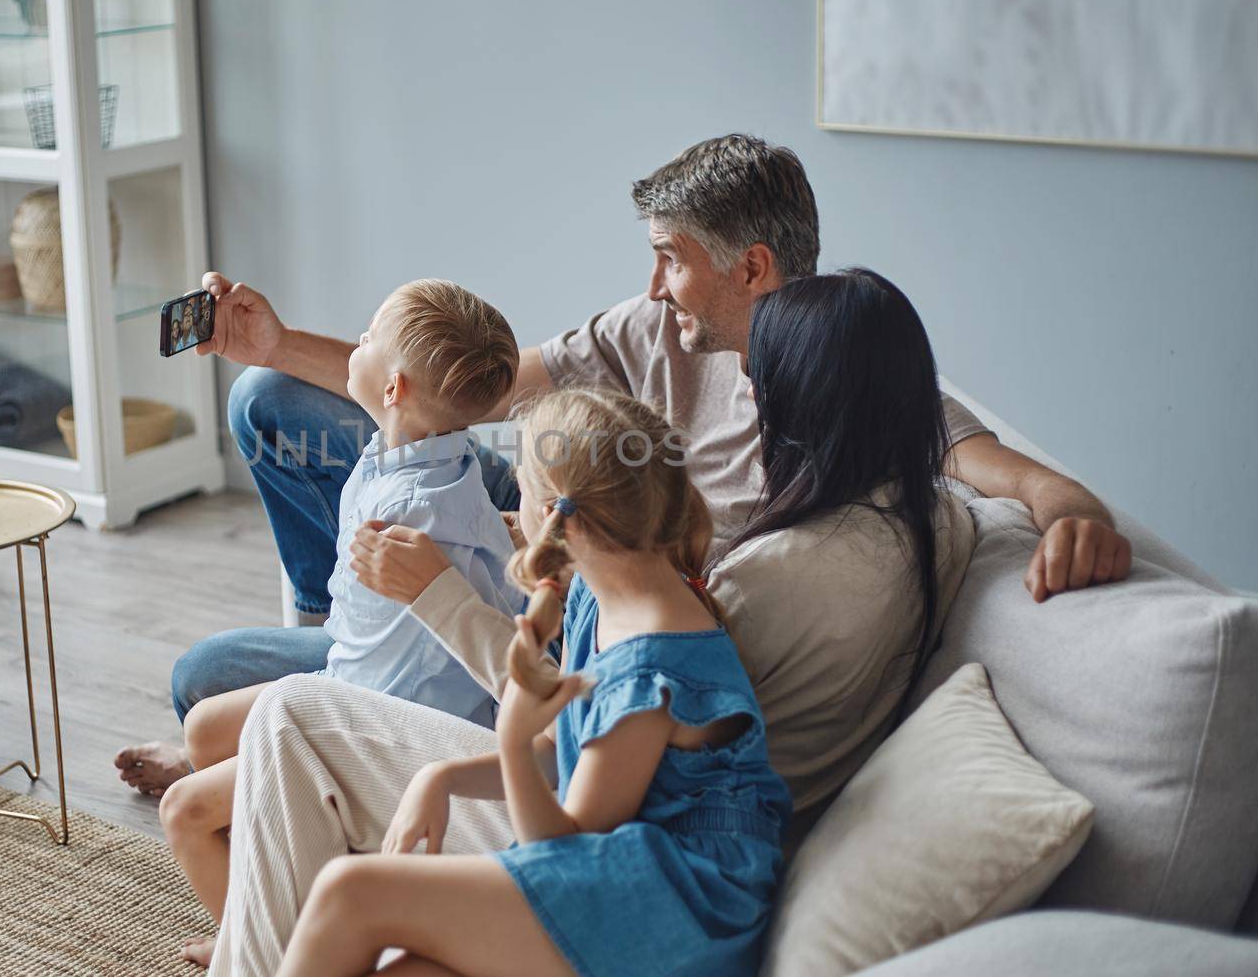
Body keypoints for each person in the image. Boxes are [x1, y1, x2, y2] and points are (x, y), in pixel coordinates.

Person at [113, 132, 1133, 799]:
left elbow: (991, 460)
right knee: (270, 404)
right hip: (539, 499)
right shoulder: (649, 327)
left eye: (671, 256)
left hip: (594, 569)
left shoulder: (839, 383)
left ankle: (349, 676)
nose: (652, 281)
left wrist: (1068, 502)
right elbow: (462, 389)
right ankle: (347, 621)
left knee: (199, 679)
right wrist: (277, 343)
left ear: (752, 268)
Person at [211, 267, 975, 973]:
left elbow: (571, 835)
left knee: (305, 787)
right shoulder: (607, 588)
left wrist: (494, 708)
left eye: (759, 381)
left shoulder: (671, 651)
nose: (746, 388)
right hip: (600, 829)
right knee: (229, 705)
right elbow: (465, 383)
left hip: (645, 891)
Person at [276, 389, 791, 976]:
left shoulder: (653, 674)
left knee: (352, 890)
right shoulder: (601, 594)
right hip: (623, 866)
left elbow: (563, 850)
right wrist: (441, 775)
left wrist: (516, 741)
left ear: (554, 517)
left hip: (679, 909)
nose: (512, 506)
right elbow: (560, 753)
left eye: (520, 487)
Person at [158, 280, 524, 964]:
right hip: (353, 673)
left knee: (183, 811)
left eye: (365, 338)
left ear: (393, 389)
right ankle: (276, 897)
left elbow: (462, 652)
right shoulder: (427, 454)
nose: (354, 342)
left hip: (381, 723)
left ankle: (266, 946)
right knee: (203, 727)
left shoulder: (423, 515)